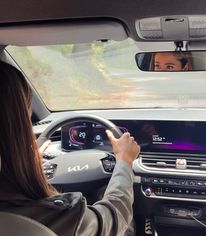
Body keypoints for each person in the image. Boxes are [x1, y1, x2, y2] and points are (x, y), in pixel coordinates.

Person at [0, 61, 140, 236]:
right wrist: (124, 162)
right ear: (18, 128)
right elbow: (114, 217)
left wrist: (24, 162)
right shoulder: (59, 216)